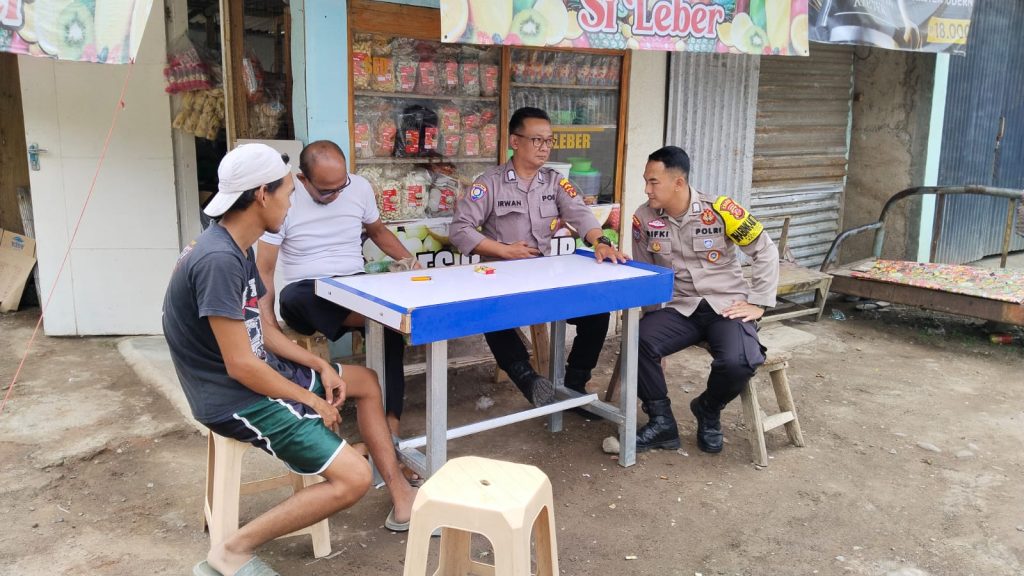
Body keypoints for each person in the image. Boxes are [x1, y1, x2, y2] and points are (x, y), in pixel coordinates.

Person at [162, 144, 417, 576]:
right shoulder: (218, 260)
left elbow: (262, 335)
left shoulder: (233, 244)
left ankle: (402, 498)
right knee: (353, 479)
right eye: (286, 192)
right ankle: (231, 551)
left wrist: (318, 367)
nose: (291, 201)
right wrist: (309, 398)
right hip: (236, 398)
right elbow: (241, 365)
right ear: (262, 195)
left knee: (366, 382)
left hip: (259, 376)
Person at [449, 107, 629, 407]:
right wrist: (503, 250)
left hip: (544, 279)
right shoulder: (490, 183)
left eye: (549, 141)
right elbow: (459, 230)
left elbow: (579, 212)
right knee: (491, 314)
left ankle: (575, 383)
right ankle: (527, 379)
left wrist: (599, 240)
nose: (544, 147)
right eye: (537, 140)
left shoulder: (554, 181)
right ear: (515, 141)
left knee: (598, 312)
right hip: (503, 277)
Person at [256, 140, 415, 436]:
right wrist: (268, 328)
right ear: (303, 179)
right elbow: (264, 270)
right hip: (308, 294)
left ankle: (391, 428)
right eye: (327, 190)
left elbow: (378, 232)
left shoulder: (360, 187)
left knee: (390, 330)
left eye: (342, 186)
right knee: (295, 296)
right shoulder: (283, 199)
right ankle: (373, 316)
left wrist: (410, 261)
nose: (336, 195)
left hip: (354, 287)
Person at [630, 146, 779, 453]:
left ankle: (708, 409)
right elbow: (647, 273)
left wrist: (760, 302)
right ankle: (662, 424)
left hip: (726, 304)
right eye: (646, 181)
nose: (647, 189)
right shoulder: (644, 218)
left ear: (678, 183)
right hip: (678, 307)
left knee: (742, 361)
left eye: (653, 182)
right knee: (638, 339)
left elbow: (764, 250)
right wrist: (650, 318)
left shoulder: (722, 209)